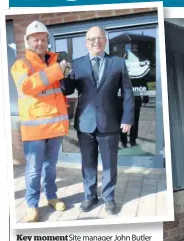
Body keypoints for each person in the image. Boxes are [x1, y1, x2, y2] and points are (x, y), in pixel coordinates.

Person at [61, 26, 134, 215]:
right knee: (88, 163)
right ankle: (90, 196)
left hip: (110, 122)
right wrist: (65, 74)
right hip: (85, 123)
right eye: (91, 39)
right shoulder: (76, 64)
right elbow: (68, 90)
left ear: (105, 40)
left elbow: (127, 92)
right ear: (86, 43)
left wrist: (127, 118)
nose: (96, 41)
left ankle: (109, 198)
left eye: (99, 38)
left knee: (110, 163)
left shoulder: (117, 63)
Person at [11, 21, 70, 222]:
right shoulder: (21, 65)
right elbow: (27, 87)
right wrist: (57, 71)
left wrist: (67, 76)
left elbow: (60, 92)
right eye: (36, 39)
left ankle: (52, 196)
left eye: (44, 39)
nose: (40, 42)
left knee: (50, 168)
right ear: (27, 41)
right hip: (35, 131)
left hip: (54, 127)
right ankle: (32, 205)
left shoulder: (56, 62)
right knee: (34, 171)